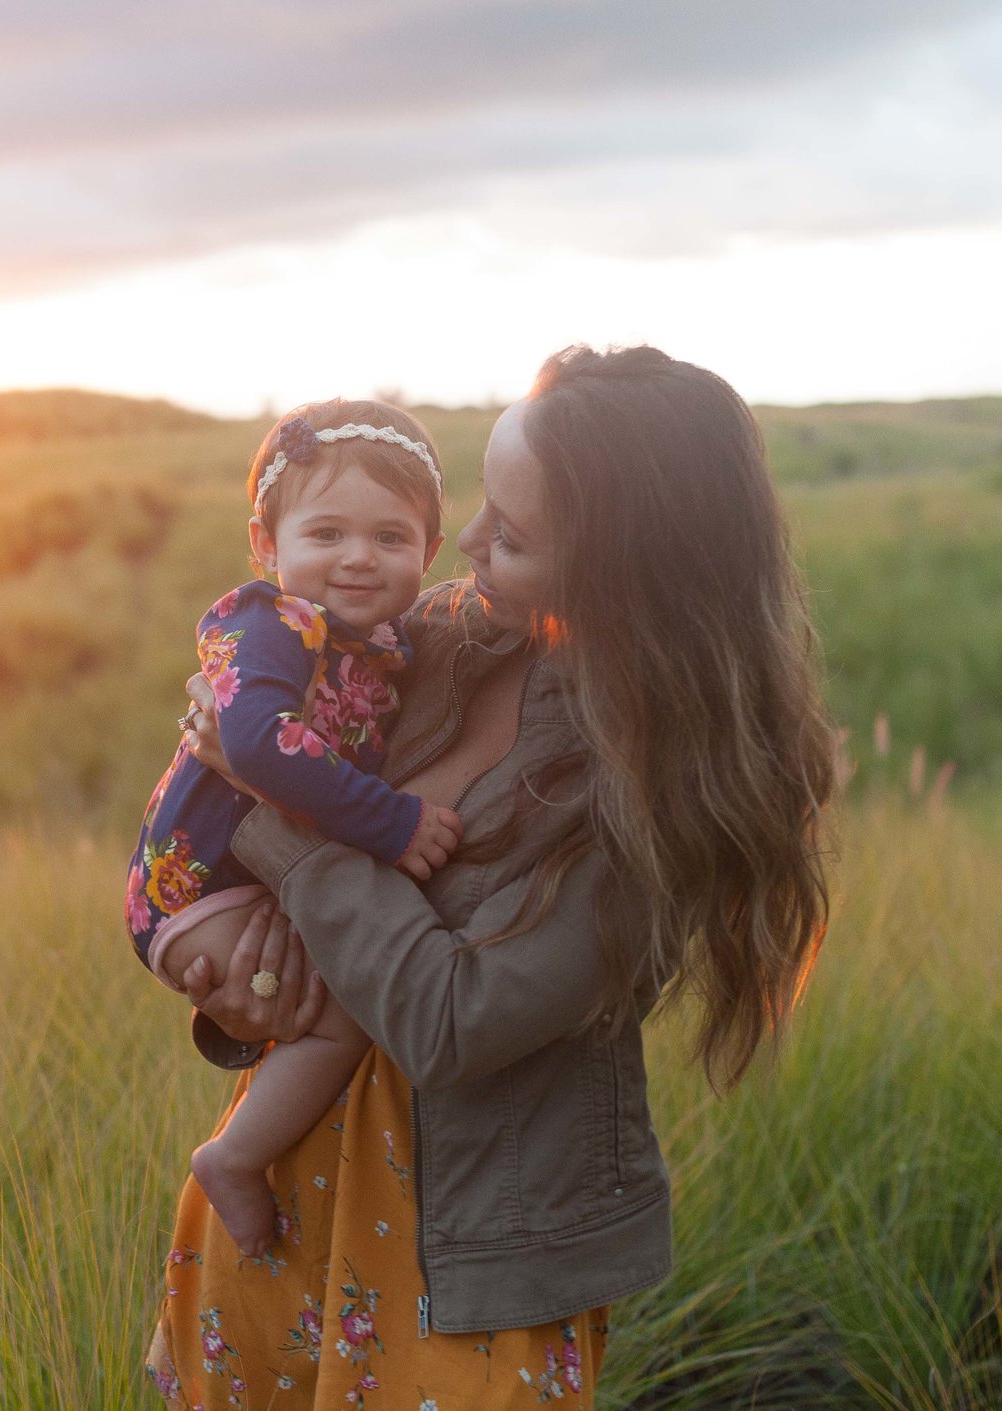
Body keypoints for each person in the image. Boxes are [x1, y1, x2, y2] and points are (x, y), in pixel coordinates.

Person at [146, 345, 839, 1409]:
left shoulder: (656, 802)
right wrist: (233, 961)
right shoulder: (435, 640)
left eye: (510, 537)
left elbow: (449, 1022)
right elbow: (235, 721)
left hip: (470, 1253)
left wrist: (279, 820)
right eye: (481, 507)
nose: (458, 545)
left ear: (621, 571)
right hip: (283, 1185)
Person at [129, 399, 468, 1258]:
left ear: (430, 551)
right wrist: (390, 823)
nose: (359, 557)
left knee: (328, 994)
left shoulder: (377, 643)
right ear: (267, 544)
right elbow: (257, 743)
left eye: (391, 538)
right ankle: (235, 1156)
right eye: (328, 534)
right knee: (339, 1020)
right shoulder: (273, 624)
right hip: (202, 885)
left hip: (240, 881)